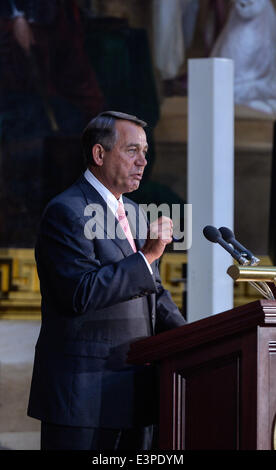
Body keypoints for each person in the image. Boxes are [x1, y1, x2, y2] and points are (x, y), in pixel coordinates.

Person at [27, 110, 186, 451]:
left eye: (145, 151)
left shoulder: (133, 211)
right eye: (132, 150)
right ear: (99, 154)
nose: (143, 161)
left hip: (135, 395)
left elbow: (152, 291)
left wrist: (193, 340)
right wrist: (146, 257)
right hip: (83, 397)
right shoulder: (66, 211)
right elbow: (78, 293)